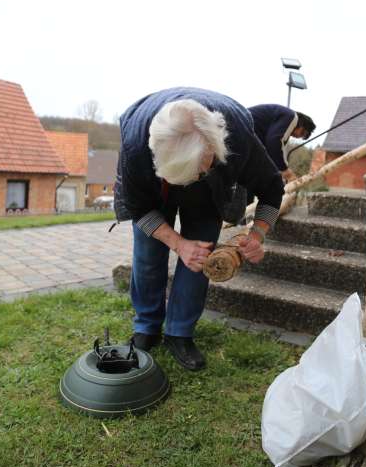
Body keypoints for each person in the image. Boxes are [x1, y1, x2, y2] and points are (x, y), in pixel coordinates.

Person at [114, 87, 285, 371]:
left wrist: (257, 235)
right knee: (147, 252)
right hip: (154, 185)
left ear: (213, 151)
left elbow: (272, 189)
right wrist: (178, 243)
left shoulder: (239, 139)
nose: (187, 183)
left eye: (196, 172)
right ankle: (146, 326)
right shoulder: (135, 146)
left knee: (199, 255)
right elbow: (139, 208)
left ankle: (179, 333)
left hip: (210, 188)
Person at [248, 104, 316, 183]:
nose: (297, 137)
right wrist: (285, 171)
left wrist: (283, 169)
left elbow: (274, 150)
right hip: (243, 129)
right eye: (301, 133)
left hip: (246, 132)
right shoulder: (292, 117)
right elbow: (274, 142)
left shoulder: (279, 126)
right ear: (301, 125)